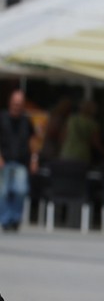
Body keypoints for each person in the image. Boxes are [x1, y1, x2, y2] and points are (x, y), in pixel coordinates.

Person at [0, 90, 37, 232]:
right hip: (4, 161)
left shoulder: (26, 121)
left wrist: (34, 159)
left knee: (21, 191)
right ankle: (5, 220)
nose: (17, 106)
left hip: (21, 162)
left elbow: (33, 141)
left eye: (20, 104)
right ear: (10, 103)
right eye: (15, 103)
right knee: (3, 192)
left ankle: (15, 219)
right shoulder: (2, 118)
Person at [61, 98, 104, 164]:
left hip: (67, 152)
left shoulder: (72, 119)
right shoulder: (92, 123)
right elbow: (96, 142)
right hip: (82, 155)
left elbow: (63, 136)